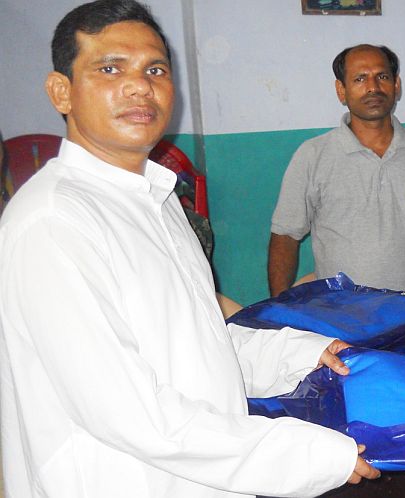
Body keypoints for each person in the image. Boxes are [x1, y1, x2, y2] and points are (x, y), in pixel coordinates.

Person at [0, 2, 379, 497]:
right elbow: (131, 415)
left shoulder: (157, 201)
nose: (140, 86)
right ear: (61, 92)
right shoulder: (53, 222)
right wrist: (308, 453)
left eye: (154, 69)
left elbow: (200, 348)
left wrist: (305, 355)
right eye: (110, 68)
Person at [268, 44, 405, 296]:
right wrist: (279, 309)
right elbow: (285, 237)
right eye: (360, 79)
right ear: (341, 91)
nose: (373, 87)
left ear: (396, 86)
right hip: (343, 316)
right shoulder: (312, 156)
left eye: (382, 77)